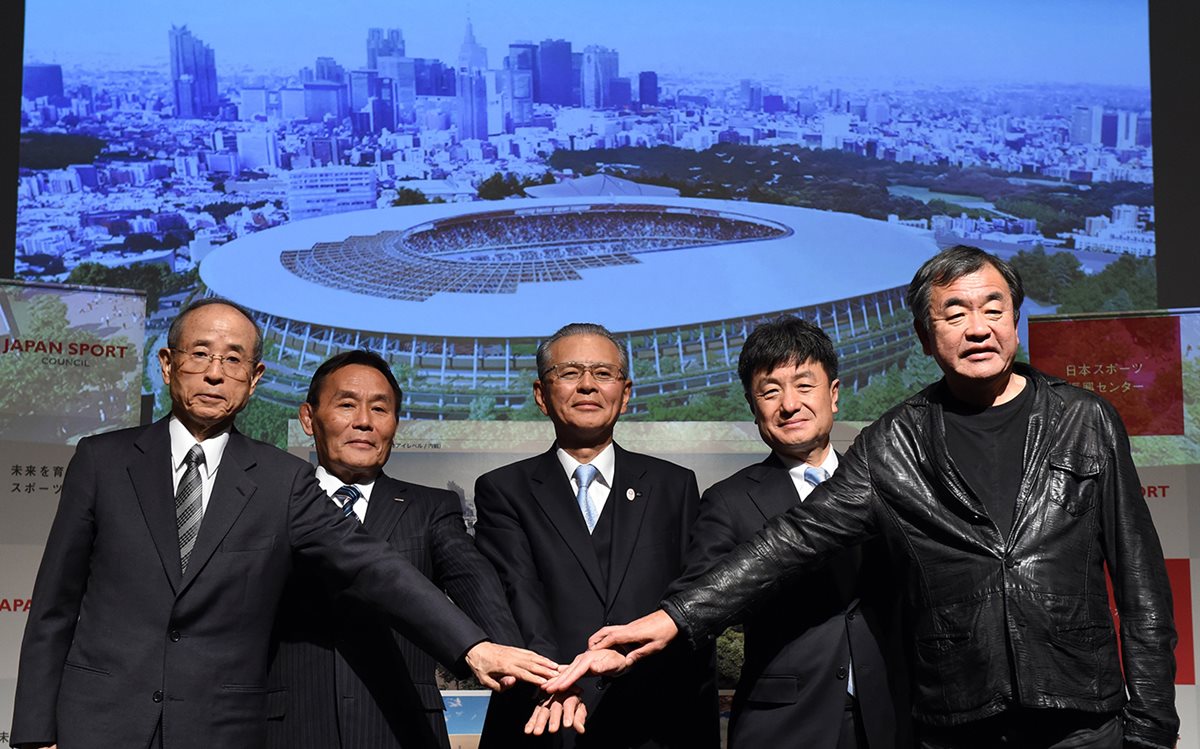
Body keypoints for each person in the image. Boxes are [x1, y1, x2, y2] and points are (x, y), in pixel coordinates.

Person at [554, 246, 1179, 749]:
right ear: (925, 337)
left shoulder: (1085, 419)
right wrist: (673, 618)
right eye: (954, 314)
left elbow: (1141, 584)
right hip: (957, 719)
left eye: (994, 308)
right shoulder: (898, 439)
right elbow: (795, 538)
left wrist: (1151, 726)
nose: (978, 327)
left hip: (1081, 713)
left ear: (1015, 320)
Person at [11, 298, 557, 749]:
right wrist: (36, 732)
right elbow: (55, 605)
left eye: (233, 360)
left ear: (254, 379)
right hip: (97, 722)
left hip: (219, 729)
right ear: (168, 364)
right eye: (200, 354)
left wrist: (473, 647)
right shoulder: (101, 460)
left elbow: (373, 566)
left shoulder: (281, 479)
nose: (215, 372)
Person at [666, 316, 907, 749]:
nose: (789, 404)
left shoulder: (885, 483)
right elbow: (699, 600)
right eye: (770, 391)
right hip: (784, 726)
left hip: (889, 717)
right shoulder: (728, 500)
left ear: (834, 394)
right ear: (752, 406)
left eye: (804, 385)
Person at [474, 322, 718, 748]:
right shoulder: (502, 489)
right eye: (569, 373)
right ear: (541, 395)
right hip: (545, 716)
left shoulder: (674, 485)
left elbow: (691, 597)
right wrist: (559, 681)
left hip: (653, 720)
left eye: (603, 373)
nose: (587, 385)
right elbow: (517, 594)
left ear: (625, 394)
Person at [266, 350, 524, 749]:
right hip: (290, 729)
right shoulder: (271, 502)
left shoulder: (431, 508)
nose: (364, 421)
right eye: (347, 405)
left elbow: (478, 588)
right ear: (308, 418)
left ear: (395, 424)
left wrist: (515, 663)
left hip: (401, 731)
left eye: (380, 409)